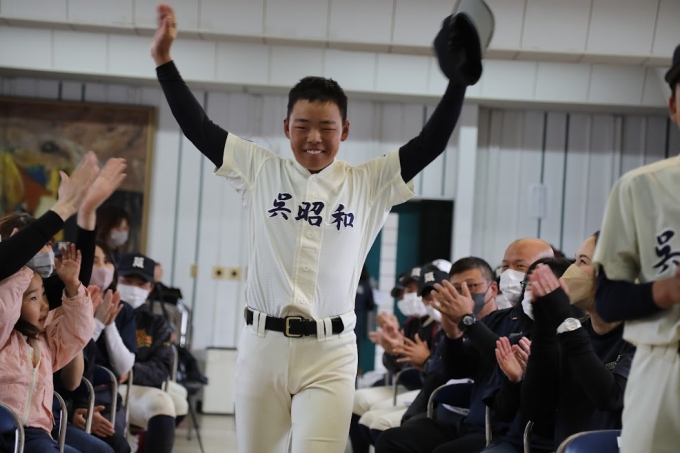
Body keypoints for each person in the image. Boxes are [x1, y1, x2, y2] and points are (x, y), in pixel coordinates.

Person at [150, 1, 494, 451]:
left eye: (326, 127)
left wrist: (457, 84)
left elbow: (430, 143)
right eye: (303, 126)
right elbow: (198, 127)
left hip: (330, 353)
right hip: (262, 346)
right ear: (286, 127)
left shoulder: (368, 182)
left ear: (344, 130)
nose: (314, 138)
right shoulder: (260, 169)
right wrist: (164, 61)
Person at [593, 44, 680, 453]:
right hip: (665, 361)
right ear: (674, 107)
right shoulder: (641, 186)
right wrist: (667, 290)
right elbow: (607, 301)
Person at [0, 243, 95, 452]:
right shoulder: (3, 338)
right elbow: (3, 311)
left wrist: (72, 285)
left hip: (35, 434)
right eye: (33, 298)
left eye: (43, 294)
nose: (44, 305)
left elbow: (79, 331)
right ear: (15, 303)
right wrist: (21, 265)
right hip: (4, 429)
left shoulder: (45, 343)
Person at [115, 252, 188, 453]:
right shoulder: (106, 313)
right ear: (116, 279)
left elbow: (162, 368)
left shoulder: (156, 323)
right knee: (162, 404)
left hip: (138, 382)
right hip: (110, 385)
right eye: (127, 281)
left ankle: (141, 442)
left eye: (141, 284)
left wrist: (131, 372)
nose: (134, 289)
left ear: (150, 288)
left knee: (180, 402)